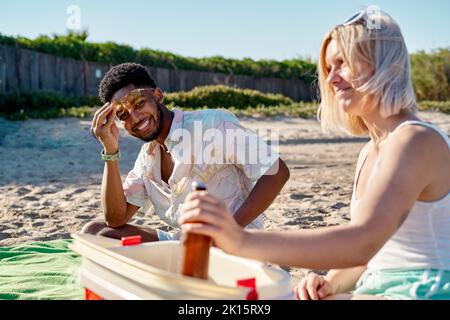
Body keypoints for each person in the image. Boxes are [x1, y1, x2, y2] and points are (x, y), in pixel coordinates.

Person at [179, 9, 450, 300]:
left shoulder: (416, 140)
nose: (332, 79)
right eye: (328, 68)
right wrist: (331, 282)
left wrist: (240, 240)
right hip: (379, 287)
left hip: (424, 289)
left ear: (382, 61)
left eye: (342, 63)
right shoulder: (370, 152)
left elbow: (363, 242)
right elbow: (375, 254)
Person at [81, 62, 290, 242]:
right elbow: (115, 219)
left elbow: (277, 171)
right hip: (185, 244)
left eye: (139, 103)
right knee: (95, 231)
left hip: (235, 244)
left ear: (158, 95)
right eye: (123, 114)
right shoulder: (148, 156)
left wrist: (231, 231)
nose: (134, 117)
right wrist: (110, 150)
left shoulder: (212, 124)